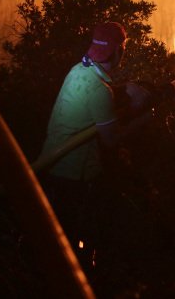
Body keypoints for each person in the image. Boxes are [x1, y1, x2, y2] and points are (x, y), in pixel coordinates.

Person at [37, 22, 167, 265]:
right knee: (73, 239)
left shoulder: (79, 69)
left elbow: (96, 95)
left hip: (51, 162)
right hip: (74, 175)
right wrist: (144, 117)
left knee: (54, 233)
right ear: (118, 51)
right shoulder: (100, 92)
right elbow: (111, 140)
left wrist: (125, 88)